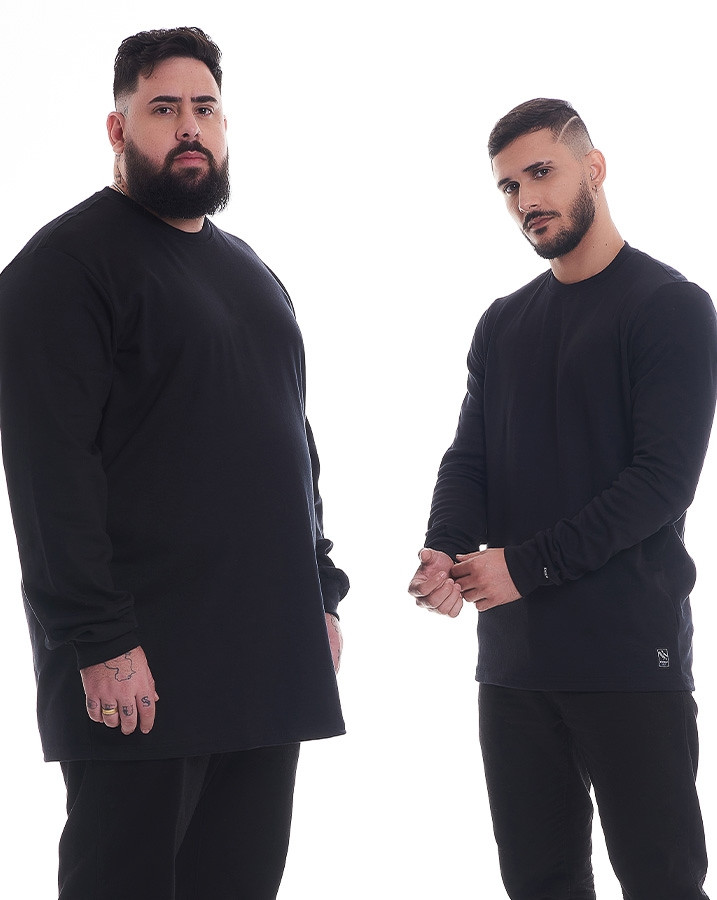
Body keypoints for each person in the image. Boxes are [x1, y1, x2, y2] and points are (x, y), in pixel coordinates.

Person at [0, 26, 347, 900]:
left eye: (205, 108)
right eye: (163, 108)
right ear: (118, 130)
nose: (190, 126)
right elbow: (49, 474)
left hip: (265, 663)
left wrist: (320, 593)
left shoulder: (250, 271)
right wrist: (99, 639)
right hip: (139, 669)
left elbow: (291, 446)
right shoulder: (63, 268)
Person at [408, 98, 716, 899]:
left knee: (661, 883)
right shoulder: (502, 324)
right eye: (508, 186)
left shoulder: (670, 307)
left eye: (540, 172)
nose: (525, 200)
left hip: (628, 659)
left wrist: (523, 567)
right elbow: (470, 459)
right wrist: (445, 546)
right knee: (537, 884)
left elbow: (659, 483)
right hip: (514, 666)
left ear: (594, 168)